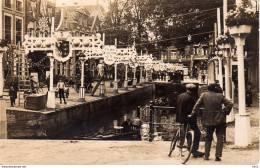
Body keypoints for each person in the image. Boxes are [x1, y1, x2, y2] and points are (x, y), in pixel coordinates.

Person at [191, 83, 233, 161]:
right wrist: (224, 112)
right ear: (215, 88)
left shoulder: (204, 95)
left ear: (208, 88)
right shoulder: (220, 96)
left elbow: (196, 106)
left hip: (208, 119)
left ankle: (206, 156)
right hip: (220, 120)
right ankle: (218, 156)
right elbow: (230, 103)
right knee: (220, 138)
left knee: (208, 138)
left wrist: (192, 114)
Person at [176, 83, 204, 158]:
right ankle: (194, 150)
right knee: (197, 133)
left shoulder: (180, 95)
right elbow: (190, 110)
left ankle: (188, 145)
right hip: (188, 119)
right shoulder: (190, 98)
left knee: (187, 132)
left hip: (179, 118)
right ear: (194, 90)